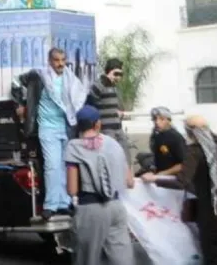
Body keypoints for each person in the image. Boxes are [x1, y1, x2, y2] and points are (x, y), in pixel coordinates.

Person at [11, 47, 87, 220]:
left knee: (64, 166)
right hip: (47, 127)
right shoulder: (38, 76)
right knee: (52, 165)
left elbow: (78, 99)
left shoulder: (71, 79)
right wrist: (19, 104)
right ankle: (51, 205)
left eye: (63, 60)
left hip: (67, 127)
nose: (60, 64)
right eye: (56, 60)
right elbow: (16, 82)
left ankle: (64, 203)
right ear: (50, 61)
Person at [64, 106, 134, 265]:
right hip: (116, 207)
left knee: (87, 259)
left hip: (90, 209)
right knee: (122, 260)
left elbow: (72, 189)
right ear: (98, 124)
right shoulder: (114, 144)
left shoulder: (74, 146)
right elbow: (129, 182)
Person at [156, 115, 217, 264]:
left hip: (211, 216)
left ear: (189, 132)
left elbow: (181, 182)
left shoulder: (195, 152)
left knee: (215, 257)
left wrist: (155, 179)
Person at [86, 58, 130, 159]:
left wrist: (120, 112)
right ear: (110, 71)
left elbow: (119, 106)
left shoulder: (114, 87)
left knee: (125, 156)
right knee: (111, 157)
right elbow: (90, 99)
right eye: (116, 73)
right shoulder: (99, 83)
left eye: (120, 74)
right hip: (106, 129)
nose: (118, 77)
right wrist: (107, 78)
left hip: (118, 128)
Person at [141, 106, 187, 183]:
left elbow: (183, 164)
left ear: (169, 120)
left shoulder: (175, 137)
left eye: (161, 119)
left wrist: (162, 174)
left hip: (174, 181)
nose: (157, 122)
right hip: (160, 178)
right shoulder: (157, 136)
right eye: (155, 119)